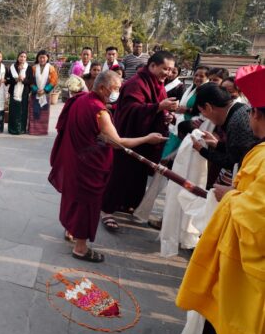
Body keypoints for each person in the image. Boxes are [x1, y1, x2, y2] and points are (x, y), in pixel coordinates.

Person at [176, 64, 265, 334]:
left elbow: (257, 215)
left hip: (248, 278)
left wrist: (229, 196)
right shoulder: (247, 130)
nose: (249, 114)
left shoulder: (251, 141)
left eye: (254, 110)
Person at [49, 71, 165, 262]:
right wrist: (147, 138)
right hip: (89, 165)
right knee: (87, 204)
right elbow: (117, 142)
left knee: (74, 197)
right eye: (115, 89)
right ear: (102, 88)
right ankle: (80, 248)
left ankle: (70, 230)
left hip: (75, 159)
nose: (117, 92)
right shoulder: (99, 111)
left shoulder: (80, 99)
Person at [100, 51, 178, 231]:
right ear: (152, 66)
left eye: (171, 70)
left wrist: (165, 114)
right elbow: (130, 110)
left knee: (137, 175)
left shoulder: (158, 84)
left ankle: (127, 205)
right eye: (164, 68)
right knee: (120, 174)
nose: (167, 73)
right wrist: (158, 107)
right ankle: (106, 210)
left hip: (146, 139)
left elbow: (155, 107)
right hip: (130, 136)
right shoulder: (136, 83)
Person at [190, 83, 259, 185]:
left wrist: (202, 150)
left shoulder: (236, 122)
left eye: (202, 112)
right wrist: (216, 144)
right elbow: (236, 150)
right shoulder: (240, 109)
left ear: (208, 107)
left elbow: (232, 162)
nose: (203, 116)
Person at [161, 66, 209, 158]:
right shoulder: (193, 88)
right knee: (168, 150)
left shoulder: (206, 91)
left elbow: (204, 111)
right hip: (180, 123)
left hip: (191, 126)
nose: (198, 78)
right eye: (196, 75)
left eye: (201, 76)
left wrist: (186, 110)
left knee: (172, 154)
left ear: (207, 78)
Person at [26, 50, 58, 136]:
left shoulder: (51, 68)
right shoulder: (34, 68)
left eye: (44, 57)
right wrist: (36, 89)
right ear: (38, 58)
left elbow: (54, 81)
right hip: (35, 93)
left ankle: (42, 130)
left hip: (45, 94)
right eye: (40, 57)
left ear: (47, 58)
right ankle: (33, 130)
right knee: (34, 112)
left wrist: (45, 90)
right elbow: (30, 81)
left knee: (44, 113)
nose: (42, 59)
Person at [6, 52, 30, 135]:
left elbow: (30, 81)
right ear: (17, 57)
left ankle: (22, 129)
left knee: (22, 111)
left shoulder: (28, 68)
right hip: (14, 92)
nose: (22, 58)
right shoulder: (12, 67)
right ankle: (12, 129)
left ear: (26, 58)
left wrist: (23, 79)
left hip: (24, 93)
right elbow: (8, 79)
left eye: (24, 57)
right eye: (21, 56)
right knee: (13, 111)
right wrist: (15, 80)